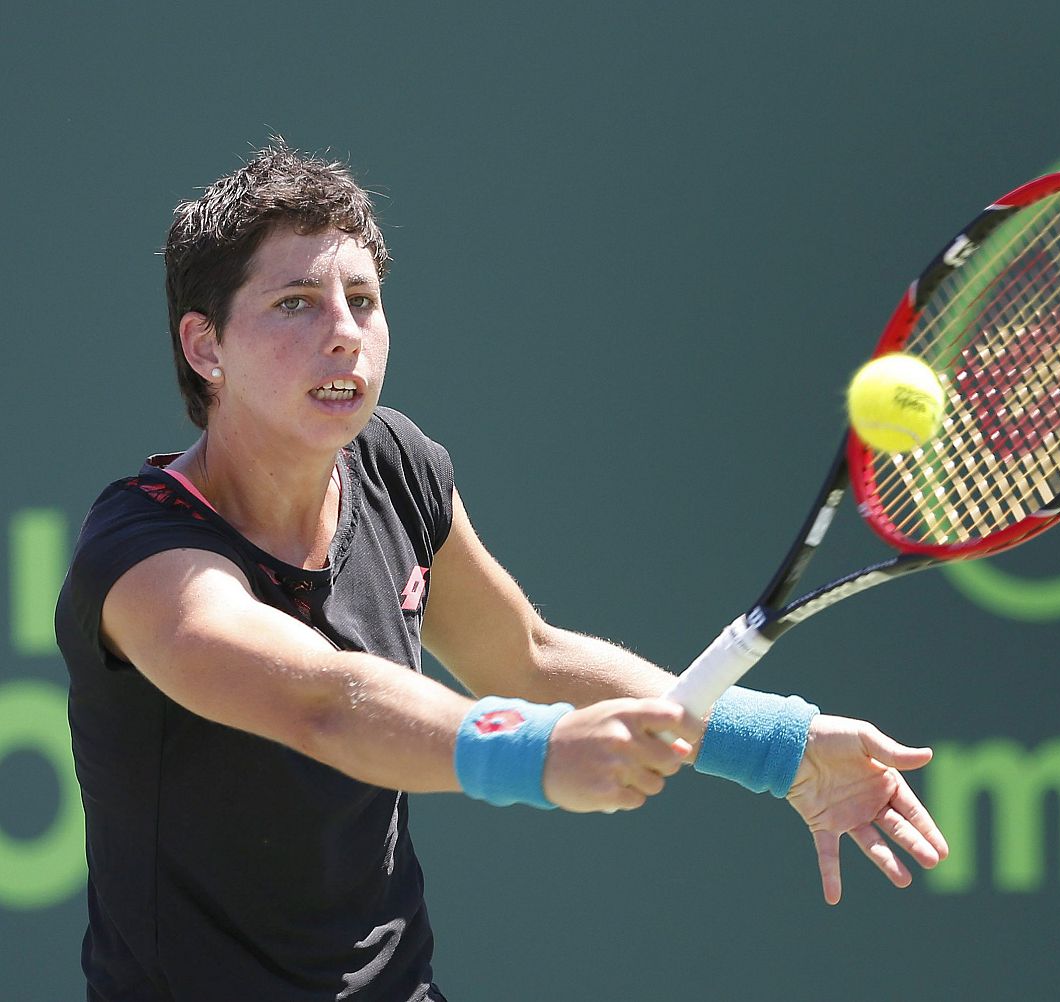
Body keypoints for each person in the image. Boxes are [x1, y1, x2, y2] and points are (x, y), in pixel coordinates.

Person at [56, 143, 949, 1001]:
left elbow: (524, 656)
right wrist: (539, 753)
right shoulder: (144, 559)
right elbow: (321, 704)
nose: (344, 336)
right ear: (205, 347)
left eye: (363, 300)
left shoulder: (394, 464)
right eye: (295, 302)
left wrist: (779, 747)